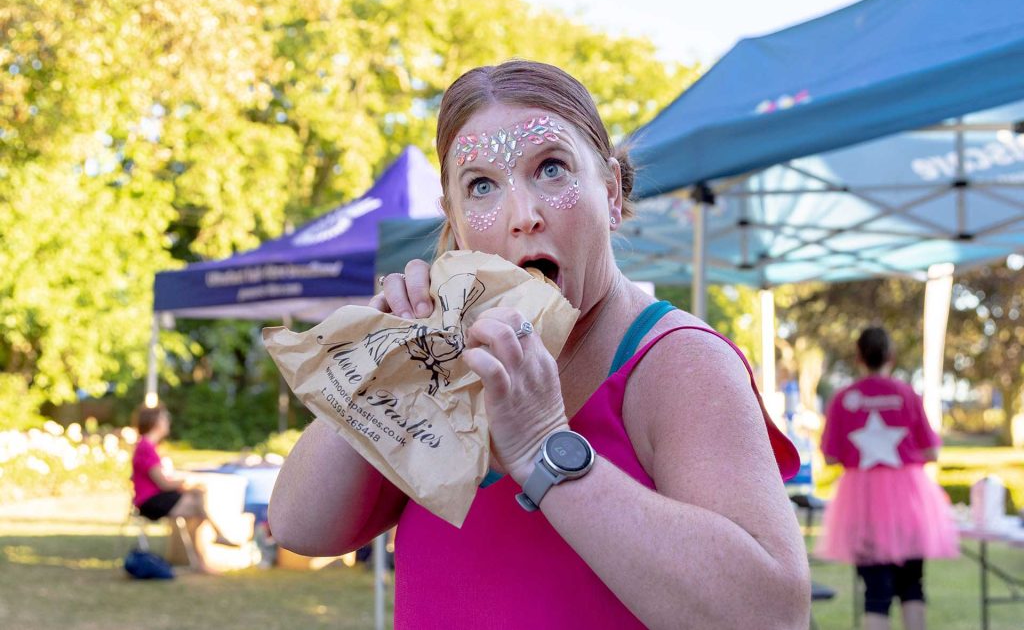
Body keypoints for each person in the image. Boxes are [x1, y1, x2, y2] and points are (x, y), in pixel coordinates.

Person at [269, 60, 810, 628]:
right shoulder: (444, 362)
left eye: (552, 169)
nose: (522, 216)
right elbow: (302, 528)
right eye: (481, 185)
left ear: (612, 194)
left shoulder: (679, 361)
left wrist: (541, 447)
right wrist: (381, 362)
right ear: (454, 221)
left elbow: (770, 615)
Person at [816, 327, 958, 630]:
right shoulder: (907, 394)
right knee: (912, 585)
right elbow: (932, 451)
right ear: (891, 356)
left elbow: (829, 456)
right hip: (908, 499)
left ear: (858, 357)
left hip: (862, 501)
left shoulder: (844, 398)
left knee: (875, 591)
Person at [131, 403, 236, 575]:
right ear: (155, 422)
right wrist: (187, 482)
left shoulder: (148, 447)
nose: (168, 422)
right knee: (198, 503)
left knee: (198, 504)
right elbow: (163, 483)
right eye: (165, 418)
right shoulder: (146, 448)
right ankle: (213, 541)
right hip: (150, 503)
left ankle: (205, 556)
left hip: (157, 498)